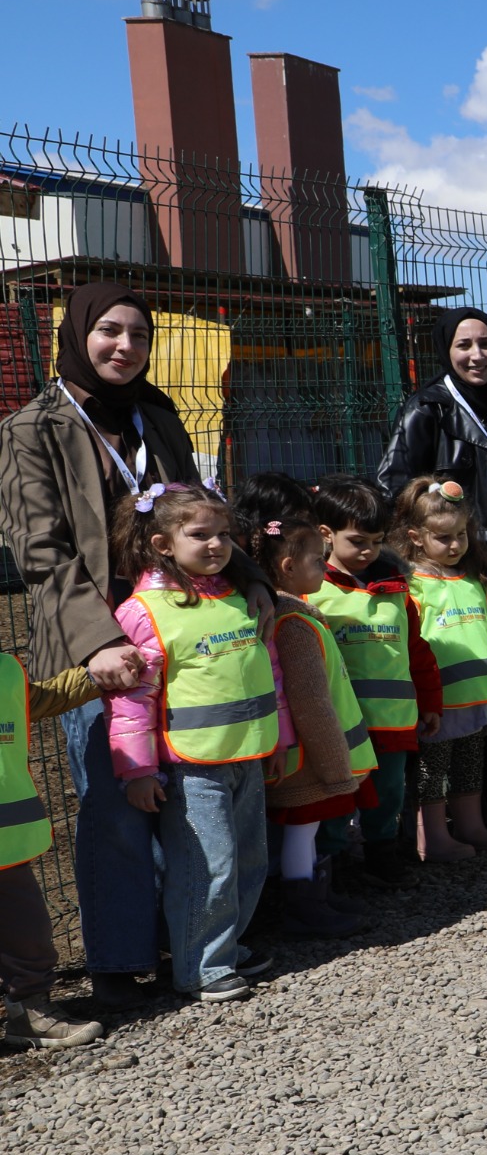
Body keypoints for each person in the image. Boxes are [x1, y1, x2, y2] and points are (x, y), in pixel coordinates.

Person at [0, 282, 241, 1003]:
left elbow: (201, 510)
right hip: (98, 645)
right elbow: (39, 551)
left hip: (181, 631)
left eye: (138, 333)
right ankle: (117, 962)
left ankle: (186, 944)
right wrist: (99, 641)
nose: (125, 346)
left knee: (182, 792)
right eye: (109, 331)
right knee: (113, 804)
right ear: (76, 336)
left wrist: (251, 582)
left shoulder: (156, 411)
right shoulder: (29, 428)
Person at [105, 483, 275, 1003]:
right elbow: (132, 702)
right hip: (193, 767)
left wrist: (282, 738)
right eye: (200, 534)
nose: (217, 545)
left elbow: (270, 674)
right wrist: (135, 772)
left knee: (249, 861)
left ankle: (221, 946)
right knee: (209, 867)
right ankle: (201, 966)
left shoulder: (239, 595)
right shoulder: (144, 610)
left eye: (224, 534)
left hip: (250, 752)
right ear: (161, 544)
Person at [310, 475, 441, 888]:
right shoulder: (313, 593)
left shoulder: (398, 590)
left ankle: (382, 855)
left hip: (393, 720)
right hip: (339, 723)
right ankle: (335, 864)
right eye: (357, 540)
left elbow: (416, 650)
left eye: (377, 540)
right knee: (337, 794)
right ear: (326, 535)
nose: (368, 550)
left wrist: (430, 702)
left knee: (388, 793)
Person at [248, 508, 373, 940]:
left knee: (308, 828)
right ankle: (303, 905)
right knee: (302, 828)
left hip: (304, 755)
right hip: (307, 759)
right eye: (319, 560)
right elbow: (310, 702)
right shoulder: (294, 624)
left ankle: (315, 895)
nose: (325, 567)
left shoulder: (293, 614)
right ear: (288, 567)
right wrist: (335, 764)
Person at [391, 477, 487, 862]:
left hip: (476, 694)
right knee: (433, 770)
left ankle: (471, 825)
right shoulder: (413, 584)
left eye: (461, 534)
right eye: (444, 538)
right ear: (415, 537)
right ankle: (433, 837)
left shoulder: (472, 578)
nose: (456, 544)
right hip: (440, 700)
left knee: (470, 764)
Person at [0, 646, 104, 1048]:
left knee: (28, 934)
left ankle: (30, 1012)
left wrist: (94, 676)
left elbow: (44, 696)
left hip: (6, 848)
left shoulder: (6, 672)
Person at [376, 306, 487, 553]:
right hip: (453, 559)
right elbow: (393, 490)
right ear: (446, 350)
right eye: (464, 345)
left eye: (486, 344)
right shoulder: (427, 409)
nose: (477, 356)